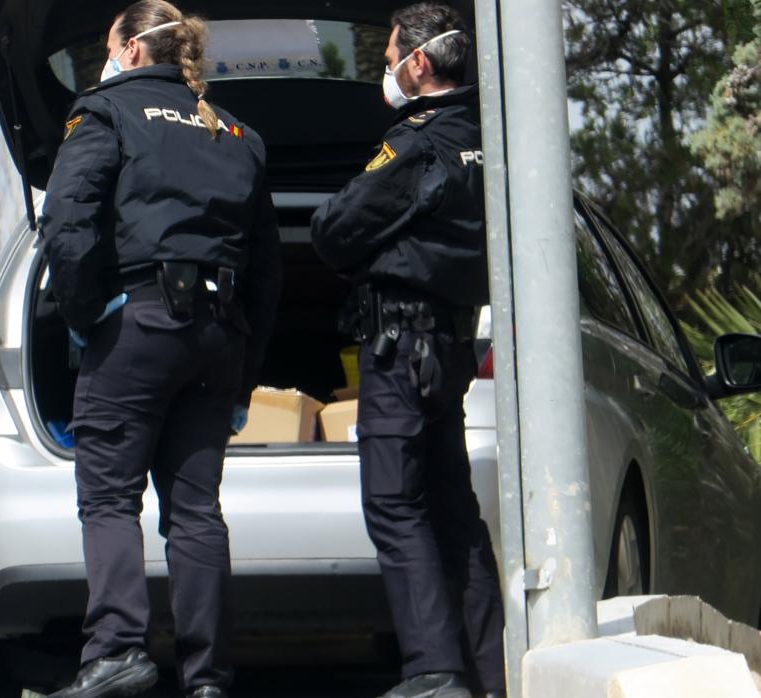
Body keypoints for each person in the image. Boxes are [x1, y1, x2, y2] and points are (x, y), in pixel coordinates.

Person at [40, 2, 282, 697]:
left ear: (129, 48)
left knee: (110, 497)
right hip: (218, 339)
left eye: (106, 45)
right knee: (196, 512)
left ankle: (116, 651)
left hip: (138, 328)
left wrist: (87, 314)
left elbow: (67, 219)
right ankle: (208, 679)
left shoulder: (105, 113)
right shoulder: (237, 133)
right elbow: (267, 270)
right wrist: (243, 378)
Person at [309, 4, 504, 698]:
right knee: (453, 510)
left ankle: (432, 671)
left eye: (390, 56)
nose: (385, 72)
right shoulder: (491, 137)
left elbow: (336, 228)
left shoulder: (417, 143)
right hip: (447, 345)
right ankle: (485, 674)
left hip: (401, 347)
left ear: (418, 64)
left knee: (393, 502)